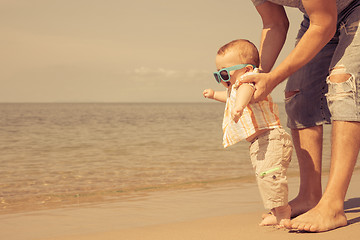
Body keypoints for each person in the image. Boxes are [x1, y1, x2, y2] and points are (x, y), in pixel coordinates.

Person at [240, 0, 360, 232]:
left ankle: (333, 205)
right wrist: (259, 76)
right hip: (318, 16)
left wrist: (273, 78)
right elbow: (274, 23)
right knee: (297, 93)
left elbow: (324, 24)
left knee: (343, 84)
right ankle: (309, 196)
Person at [203, 39, 293, 227]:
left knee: (271, 175)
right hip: (260, 142)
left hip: (271, 138)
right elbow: (228, 98)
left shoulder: (249, 81)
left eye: (225, 72)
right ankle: (276, 211)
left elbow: (245, 91)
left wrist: (240, 106)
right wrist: (214, 95)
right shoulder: (233, 91)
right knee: (265, 177)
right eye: (218, 74)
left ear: (246, 70)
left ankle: (283, 212)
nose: (222, 78)